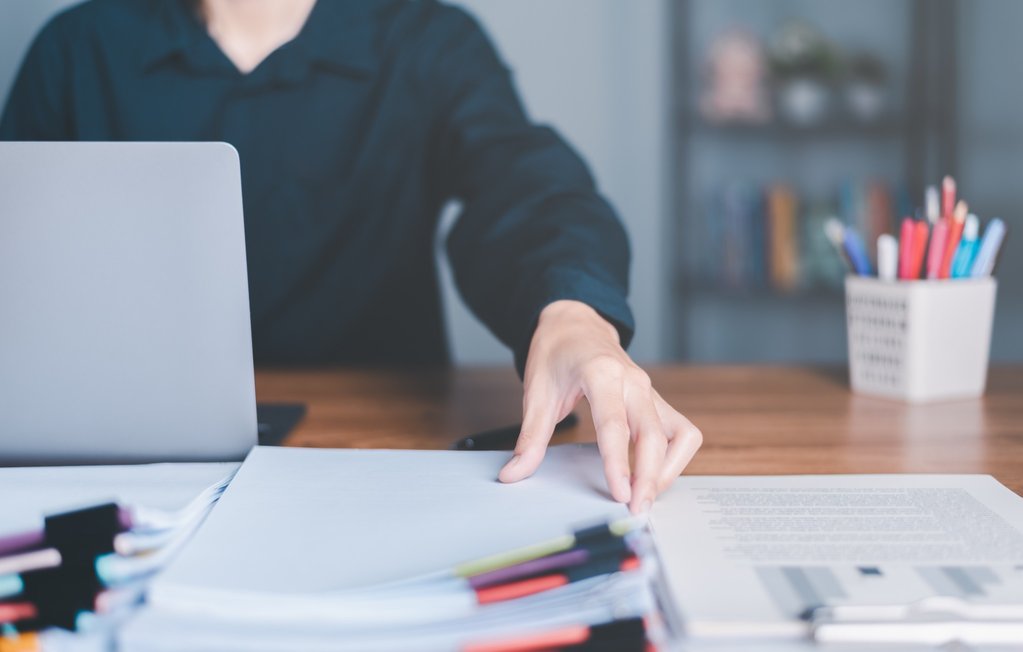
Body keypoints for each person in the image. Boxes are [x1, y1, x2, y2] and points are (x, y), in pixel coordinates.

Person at [1, 0, 702, 512]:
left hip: (381, 453)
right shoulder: (76, 48)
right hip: (129, 452)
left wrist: (574, 313)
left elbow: (523, 179)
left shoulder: (428, 41)